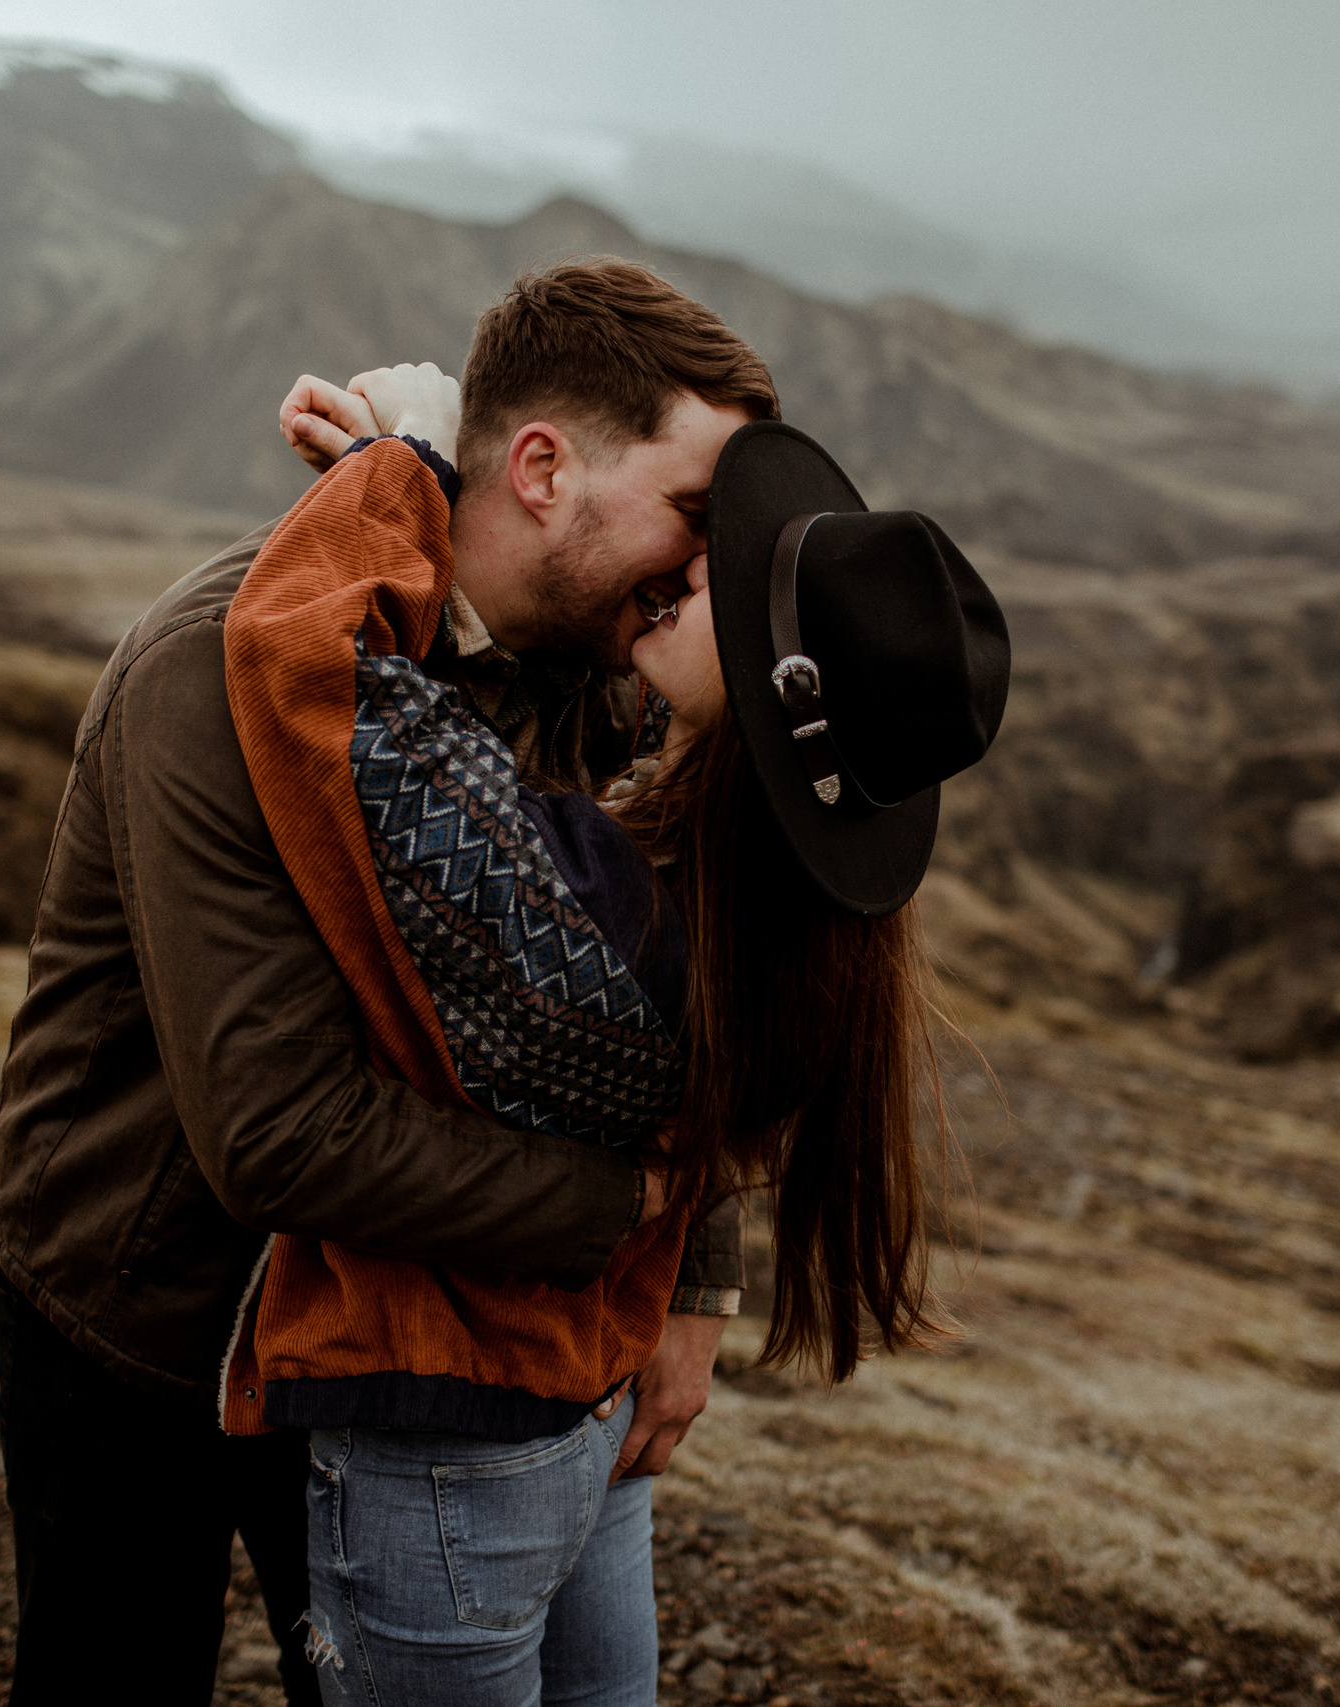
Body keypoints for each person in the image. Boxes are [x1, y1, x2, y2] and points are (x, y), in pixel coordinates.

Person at [0, 259, 768, 1706]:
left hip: (389, 1327)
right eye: (698, 515)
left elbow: (660, 991)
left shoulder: (585, 665)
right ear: (541, 468)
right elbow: (275, 1132)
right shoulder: (213, 668)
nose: (708, 567)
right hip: (150, 1310)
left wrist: (690, 1286)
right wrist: (622, 1219)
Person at [240, 322, 1010, 1705]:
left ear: (781, 699)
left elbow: (313, 674)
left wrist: (414, 468)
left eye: (732, 574)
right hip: (588, 1399)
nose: (692, 560)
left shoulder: (596, 917)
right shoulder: (771, 917)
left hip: (452, 1440)